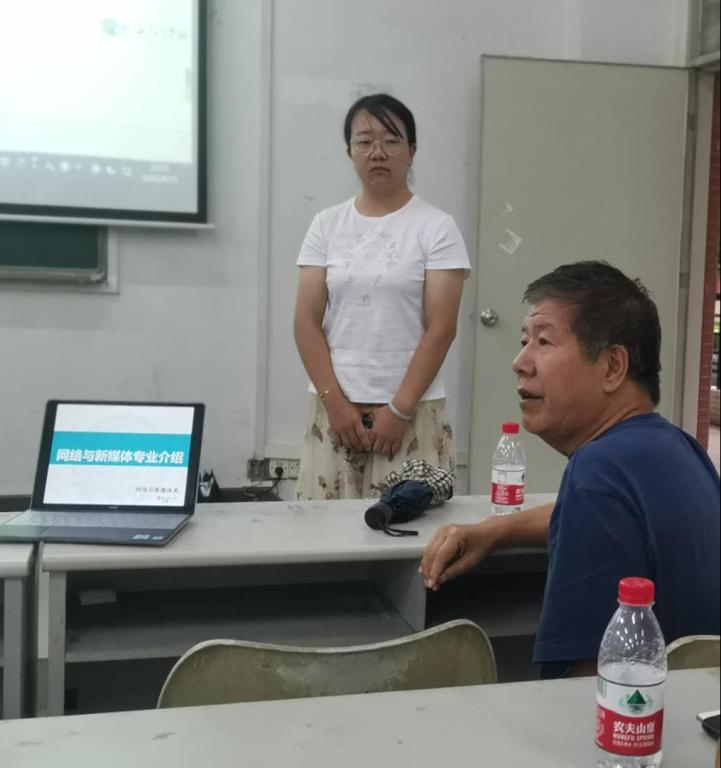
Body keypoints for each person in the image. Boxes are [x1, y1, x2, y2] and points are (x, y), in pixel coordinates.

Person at [420, 261, 720, 677]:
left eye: (543, 341)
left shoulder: (597, 472)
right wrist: (495, 530)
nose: (520, 362)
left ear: (612, 367)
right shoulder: (681, 448)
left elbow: (584, 687)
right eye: (524, 341)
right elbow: (607, 513)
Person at [294, 93, 471, 500]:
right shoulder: (326, 224)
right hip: (335, 409)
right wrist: (334, 404)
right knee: (325, 532)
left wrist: (399, 410)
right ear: (350, 152)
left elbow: (441, 328)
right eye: (364, 141)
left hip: (411, 410)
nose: (378, 152)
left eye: (391, 140)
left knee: (410, 528)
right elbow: (305, 321)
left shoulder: (436, 227)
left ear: (411, 151)